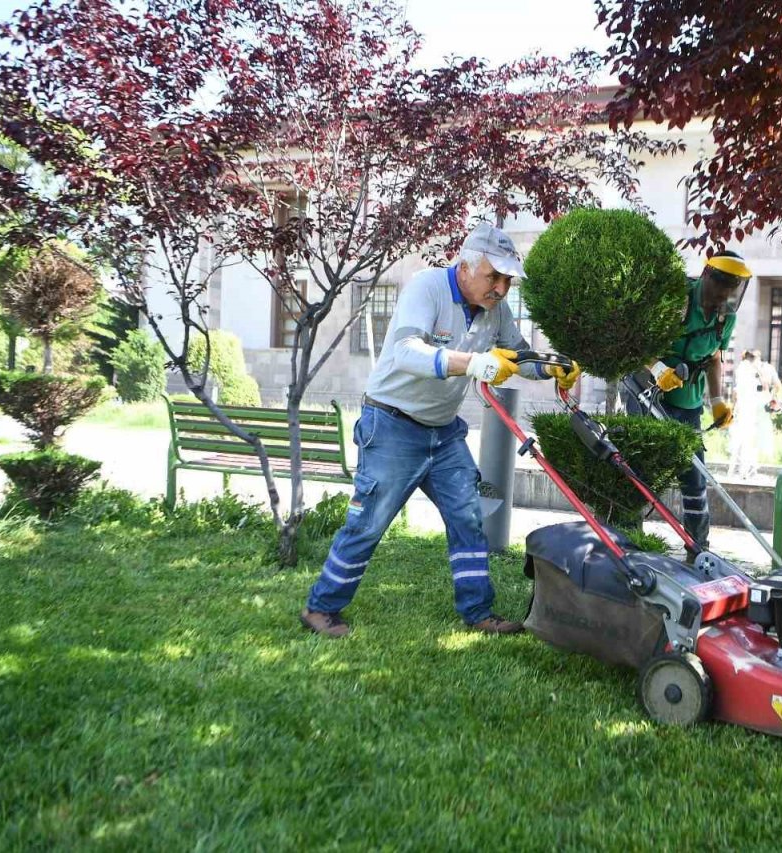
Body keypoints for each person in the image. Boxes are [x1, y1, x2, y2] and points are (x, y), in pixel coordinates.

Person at [300, 223, 581, 638]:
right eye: (494, 277)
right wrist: (470, 362)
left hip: (444, 431)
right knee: (369, 522)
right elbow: (405, 351)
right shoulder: (426, 288)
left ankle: (478, 612)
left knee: (468, 518)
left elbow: (518, 356)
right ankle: (321, 608)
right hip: (392, 424)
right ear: (466, 266)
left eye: (508, 280)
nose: (502, 288)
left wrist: (552, 366)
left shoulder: (495, 309)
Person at [640, 250, 752, 556]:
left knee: (694, 473)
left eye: (728, 294)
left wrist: (717, 400)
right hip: (650, 395)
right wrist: (657, 368)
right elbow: (638, 344)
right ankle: (629, 542)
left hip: (689, 400)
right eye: (718, 292)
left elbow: (714, 357)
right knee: (642, 470)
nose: (720, 300)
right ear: (706, 278)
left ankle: (698, 547)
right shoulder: (676, 301)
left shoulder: (726, 314)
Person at [728, 349, 762, 480]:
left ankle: (738, 470)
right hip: (747, 410)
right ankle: (745, 471)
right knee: (746, 440)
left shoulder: (742, 369)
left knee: (741, 440)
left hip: (743, 409)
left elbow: (736, 392)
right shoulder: (748, 369)